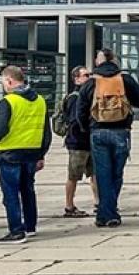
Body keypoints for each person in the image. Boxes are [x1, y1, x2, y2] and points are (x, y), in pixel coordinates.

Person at [77, 48, 139, 228]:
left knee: (102, 174)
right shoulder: (125, 79)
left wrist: (87, 128)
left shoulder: (91, 82)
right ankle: (109, 212)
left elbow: (81, 110)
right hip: (121, 131)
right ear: (114, 60)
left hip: (98, 131)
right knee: (116, 173)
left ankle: (105, 213)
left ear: (98, 61)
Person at [0, 66, 52, 243]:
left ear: (9, 80)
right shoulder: (40, 101)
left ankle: (16, 231)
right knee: (28, 190)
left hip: (9, 154)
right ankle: (30, 226)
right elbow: (46, 132)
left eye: (3, 82)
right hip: (31, 153)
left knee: (11, 194)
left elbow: (0, 129)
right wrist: (41, 154)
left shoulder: (8, 102)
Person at [62, 66, 97, 218]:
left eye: (90, 75)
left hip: (89, 141)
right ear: (76, 79)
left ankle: (99, 203)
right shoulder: (75, 98)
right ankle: (69, 206)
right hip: (77, 142)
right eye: (86, 75)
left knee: (95, 174)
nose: (89, 78)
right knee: (74, 176)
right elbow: (74, 120)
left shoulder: (87, 95)